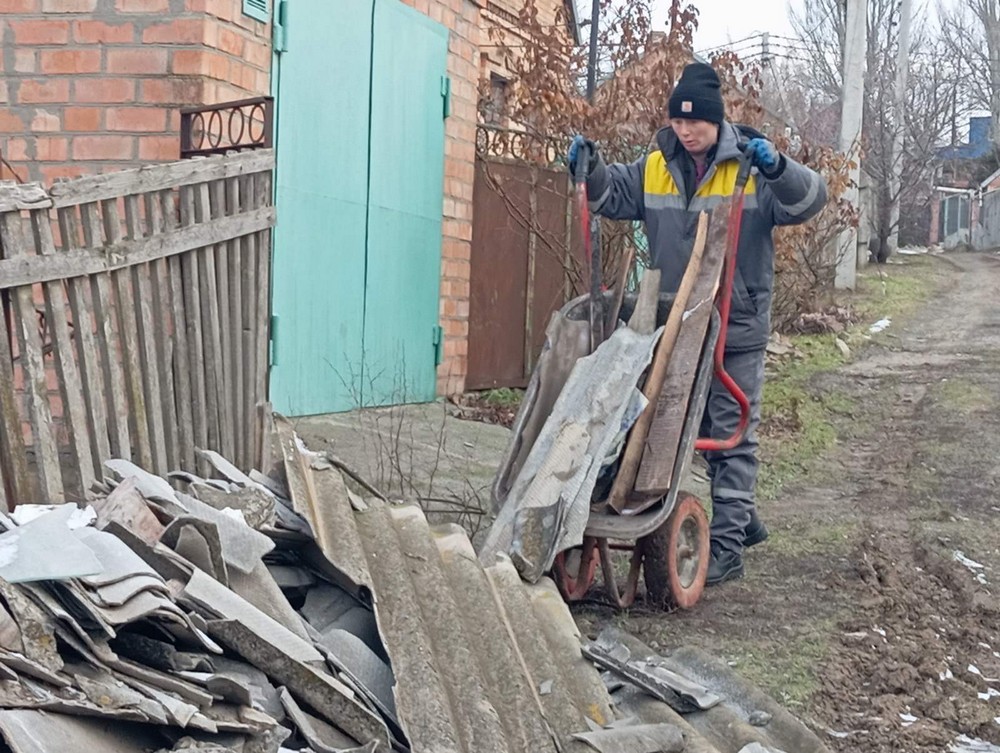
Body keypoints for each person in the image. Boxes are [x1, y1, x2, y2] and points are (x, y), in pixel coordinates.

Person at [568, 62, 827, 585]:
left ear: (717, 121)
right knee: (691, 429)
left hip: (734, 321)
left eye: (697, 124)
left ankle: (728, 547)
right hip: (673, 327)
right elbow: (608, 195)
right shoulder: (656, 166)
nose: (686, 132)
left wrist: (778, 167)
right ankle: (742, 516)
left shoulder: (750, 164)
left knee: (731, 433)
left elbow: (810, 201)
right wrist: (588, 168)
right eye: (678, 122)